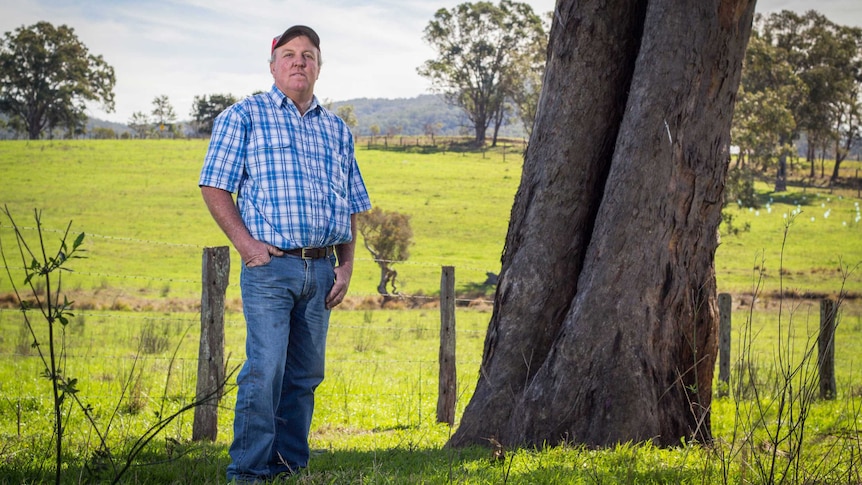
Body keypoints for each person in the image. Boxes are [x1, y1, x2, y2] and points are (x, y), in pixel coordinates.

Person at [198, 25, 371, 482]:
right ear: (273, 65)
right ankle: (249, 471)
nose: (299, 62)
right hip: (271, 269)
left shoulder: (336, 131)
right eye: (290, 54)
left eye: (308, 55)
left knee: (305, 375)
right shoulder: (244, 116)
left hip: (321, 270)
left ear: (318, 66)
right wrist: (248, 246)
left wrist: (348, 265)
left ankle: (289, 465)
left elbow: (352, 202)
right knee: (266, 370)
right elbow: (215, 184)